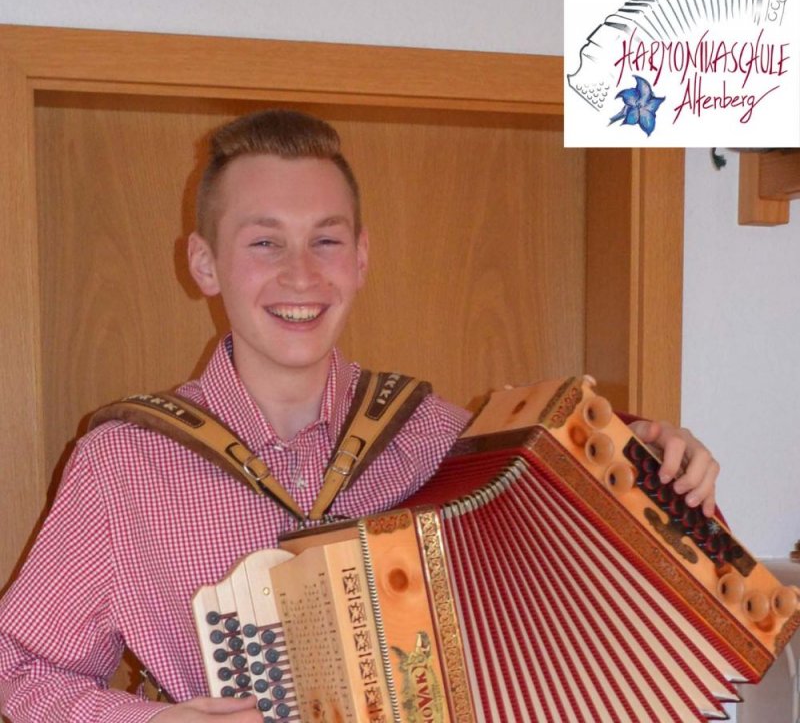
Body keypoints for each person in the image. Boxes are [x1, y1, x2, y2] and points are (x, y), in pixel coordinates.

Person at [0, 110, 720, 722]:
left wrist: (653, 459)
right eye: (264, 242)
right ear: (205, 263)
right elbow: (17, 670)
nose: (301, 274)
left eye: (326, 239)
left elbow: (593, 560)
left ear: (362, 257)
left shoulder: (438, 439)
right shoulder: (122, 465)